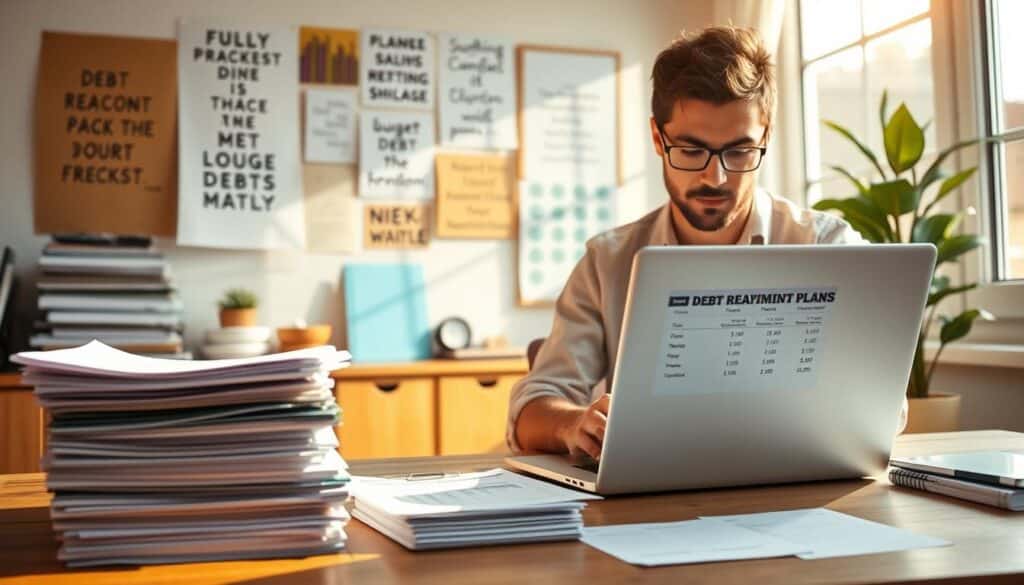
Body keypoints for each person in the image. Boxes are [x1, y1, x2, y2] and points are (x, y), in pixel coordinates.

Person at [508, 26, 907, 459]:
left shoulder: (828, 246)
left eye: (738, 152)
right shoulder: (607, 261)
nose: (714, 177)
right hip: (649, 501)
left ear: (766, 137)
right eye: (692, 150)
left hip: (795, 486)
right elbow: (532, 408)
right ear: (658, 139)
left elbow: (886, 407)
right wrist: (572, 423)